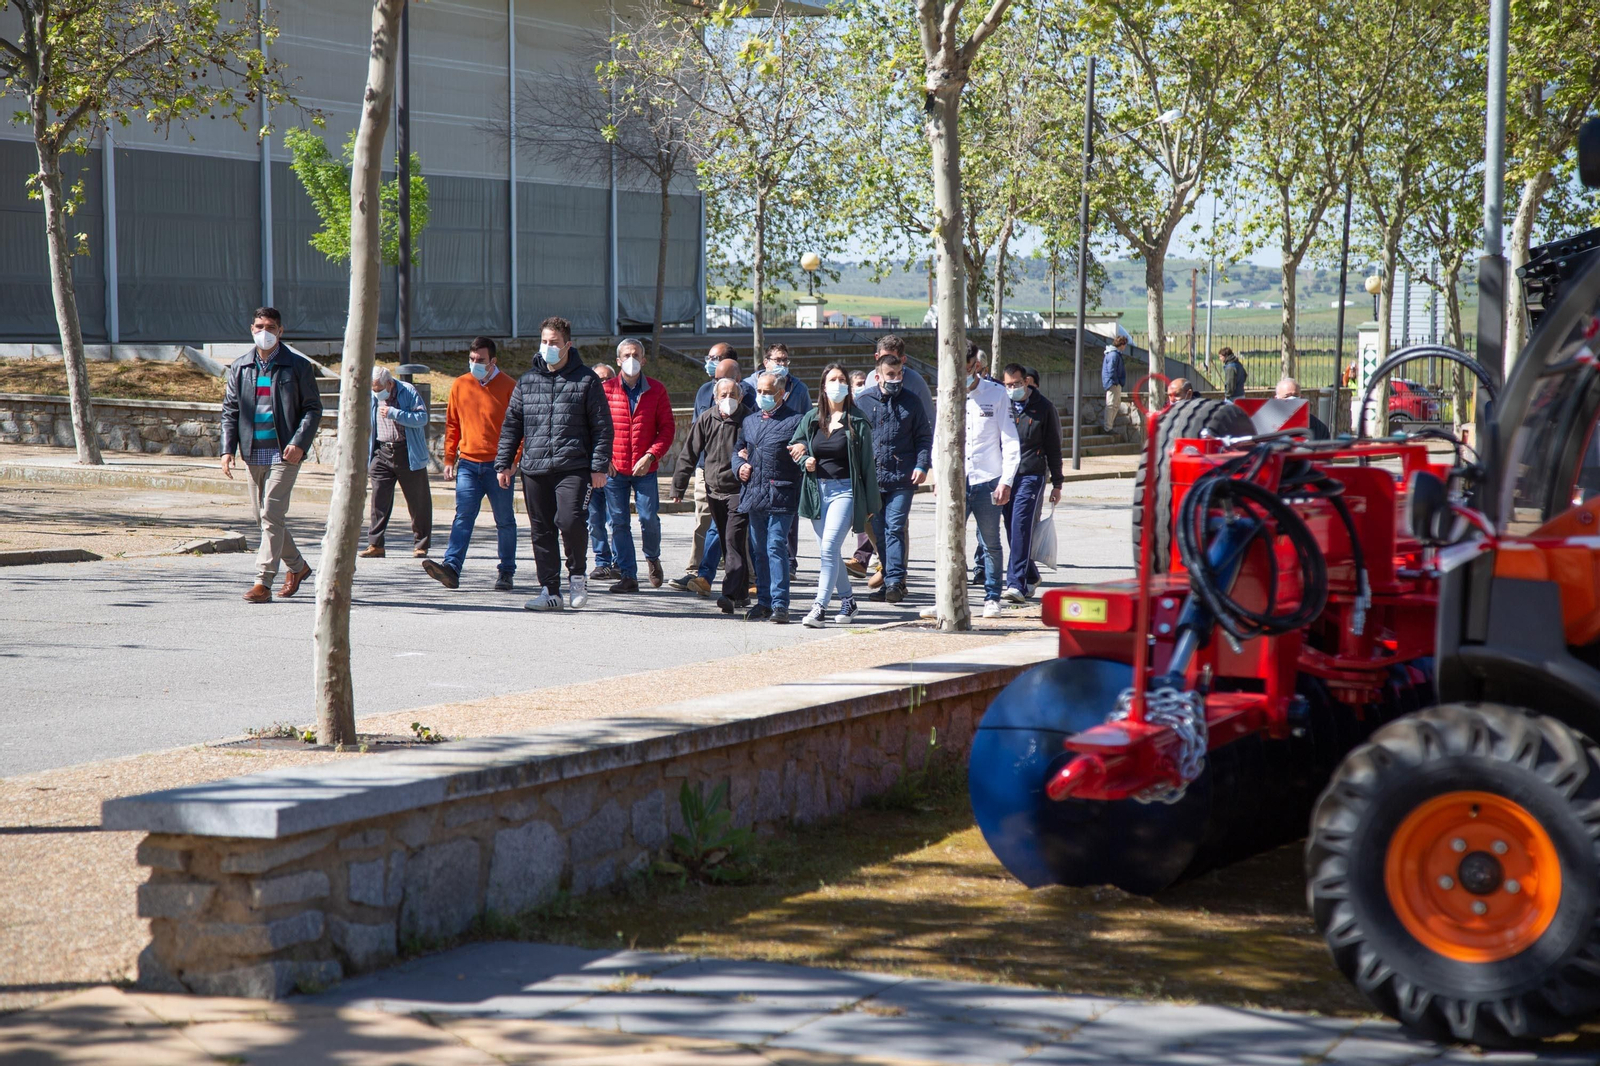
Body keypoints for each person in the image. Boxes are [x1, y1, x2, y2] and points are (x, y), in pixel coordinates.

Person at [496, 316, 612, 611]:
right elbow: (512, 425)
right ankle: (550, 591)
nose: (548, 347)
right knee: (541, 529)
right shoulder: (527, 381)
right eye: (544, 341)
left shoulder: (587, 380)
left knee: (570, 521)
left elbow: (602, 427)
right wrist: (504, 463)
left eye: (554, 342)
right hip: (534, 468)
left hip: (573, 467)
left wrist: (599, 466)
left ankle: (577, 577)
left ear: (567, 345)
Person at [220, 306, 322, 603]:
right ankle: (299, 567)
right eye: (259, 326)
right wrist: (227, 449)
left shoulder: (297, 366)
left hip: (285, 453)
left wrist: (300, 442)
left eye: (270, 327)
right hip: (253, 452)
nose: (264, 332)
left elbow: (312, 409)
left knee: (271, 514)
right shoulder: (240, 367)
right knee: (263, 518)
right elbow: (230, 410)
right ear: (251, 329)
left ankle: (262, 582)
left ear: (280, 331)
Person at [788, 365, 881, 629]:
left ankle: (819, 607)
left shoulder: (858, 421)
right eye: (832, 379)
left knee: (828, 548)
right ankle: (849, 601)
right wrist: (804, 459)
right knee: (829, 552)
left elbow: (868, 466)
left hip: (845, 491)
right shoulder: (812, 418)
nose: (837, 384)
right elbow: (796, 446)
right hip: (817, 492)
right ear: (823, 385)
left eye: (842, 380)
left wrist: (870, 503)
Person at [424, 337, 517, 592]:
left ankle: (506, 571)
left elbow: (520, 428)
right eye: (472, 359)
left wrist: (512, 462)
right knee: (463, 516)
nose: (475, 363)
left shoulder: (509, 386)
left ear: (493, 361)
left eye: (481, 360)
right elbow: (452, 423)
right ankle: (451, 568)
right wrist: (449, 458)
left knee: (505, 520)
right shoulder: (461, 384)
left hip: (499, 465)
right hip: (468, 463)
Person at [669, 347, 753, 592]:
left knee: (732, 538)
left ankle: (729, 590)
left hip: (739, 489)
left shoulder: (749, 420)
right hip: (713, 488)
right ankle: (741, 586)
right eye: (723, 394)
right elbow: (689, 452)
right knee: (726, 539)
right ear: (715, 397)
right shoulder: (707, 418)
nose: (728, 398)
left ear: (740, 395)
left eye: (732, 394)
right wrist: (678, 486)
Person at [854, 350, 931, 604]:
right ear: (878, 377)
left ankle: (896, 581)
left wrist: (922, 465)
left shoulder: (912, 402)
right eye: (890, 374)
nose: (895, 378)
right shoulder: (863, 401)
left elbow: (923, 437)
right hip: (873, 480)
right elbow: (853, 438)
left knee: (894, 528)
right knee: (879, 531)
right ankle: (889, 580)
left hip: (902, 478)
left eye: (898, 374)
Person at [601, 338, 675, 593]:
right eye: (626, 355)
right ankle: (628, 575)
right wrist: (603, 459)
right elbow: (594, 428)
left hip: (645, 469)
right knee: (618, 522)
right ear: (618, 361)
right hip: (614, 470)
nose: (631, 359)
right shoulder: (606, 390)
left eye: (635, 355)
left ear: (643, 360)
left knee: (648, 518)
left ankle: (652, 557)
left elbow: (667, 429)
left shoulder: (657, 390)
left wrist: (651, 456)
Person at [736, 371, 804, 624]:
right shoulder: (750, 421)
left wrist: (803, 449)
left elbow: (805, 448)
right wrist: (739, 467)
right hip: (755, 493)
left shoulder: (795, 421)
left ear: (781, 393)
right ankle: (763, 602)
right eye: (760, 391)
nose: (762, 396)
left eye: (768, 392)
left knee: (775, 546)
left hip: (782, 494)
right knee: (759, 550)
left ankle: (780, 604)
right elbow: (737, 450)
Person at [964, 344, 1020, 618]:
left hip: (988, 479)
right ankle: (948, 596)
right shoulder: (946, 392)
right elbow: (939, 436)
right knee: (949, 542)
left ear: (975, 365)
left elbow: (1010, 440)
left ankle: (992, 597)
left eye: (965, 367)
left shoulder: (996, 394)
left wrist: (1006, 481)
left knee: (990, 542)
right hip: (956, 480)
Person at [1000, 363, 1062, 603]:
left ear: (1026, 381)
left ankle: (1016, 583)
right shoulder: (1003, 404)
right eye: (1007, 385)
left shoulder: (1043, 408)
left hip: (1031, 475)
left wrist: (1057, 483)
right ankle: (1031, 574)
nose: (1012, 388)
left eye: (1016, 383)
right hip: (1006, 476)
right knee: (1010, 527)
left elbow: (1054, 448)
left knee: (1021, 525)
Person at [362, 366, 432, 560]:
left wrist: (396, 413)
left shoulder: (407, 391)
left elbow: (422, 418)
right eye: (373, 389)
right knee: (378, 500)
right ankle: (375, 544)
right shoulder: (371, 395)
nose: (376, 392)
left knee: (418, 502)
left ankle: (421, 545)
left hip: (407, 452)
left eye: (379, 389)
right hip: (382, 452)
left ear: (390, 383)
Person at [587, 364, 618, 580]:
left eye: (607, 379)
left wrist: (610, 460)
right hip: (590, 471)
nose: (603, 383)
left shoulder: (618, 403)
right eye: (599, 379)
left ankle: (619, 562)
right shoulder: (585, 404)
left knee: (616, 520)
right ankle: (602, 562)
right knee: (594, 520)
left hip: (614, 471)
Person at [862, 334, 933, 419]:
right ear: (877, 357)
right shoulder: (870, 378)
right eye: (883, 359)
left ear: (903, 360)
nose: (887, 364)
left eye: (892, 360)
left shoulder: (916, 382)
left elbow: (928, 417)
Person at [744, 343, 811, 414]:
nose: (782, 364)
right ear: (766, 363)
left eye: (785, 360)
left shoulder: (799, 388)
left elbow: (808, 416)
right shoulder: (749, 386)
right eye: (778, 360)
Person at [1102, 334, 1129, 433]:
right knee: (1111, 405)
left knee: (1115, 405)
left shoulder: (1114, 354)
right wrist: (1116, 381)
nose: (1125, 347)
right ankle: (1108, 427)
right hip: (1113, 383)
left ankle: (1109, 426)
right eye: (1125, 345)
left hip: (1114, 382)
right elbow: (1111, 370)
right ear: (1122, 344)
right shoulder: (1113, 355)